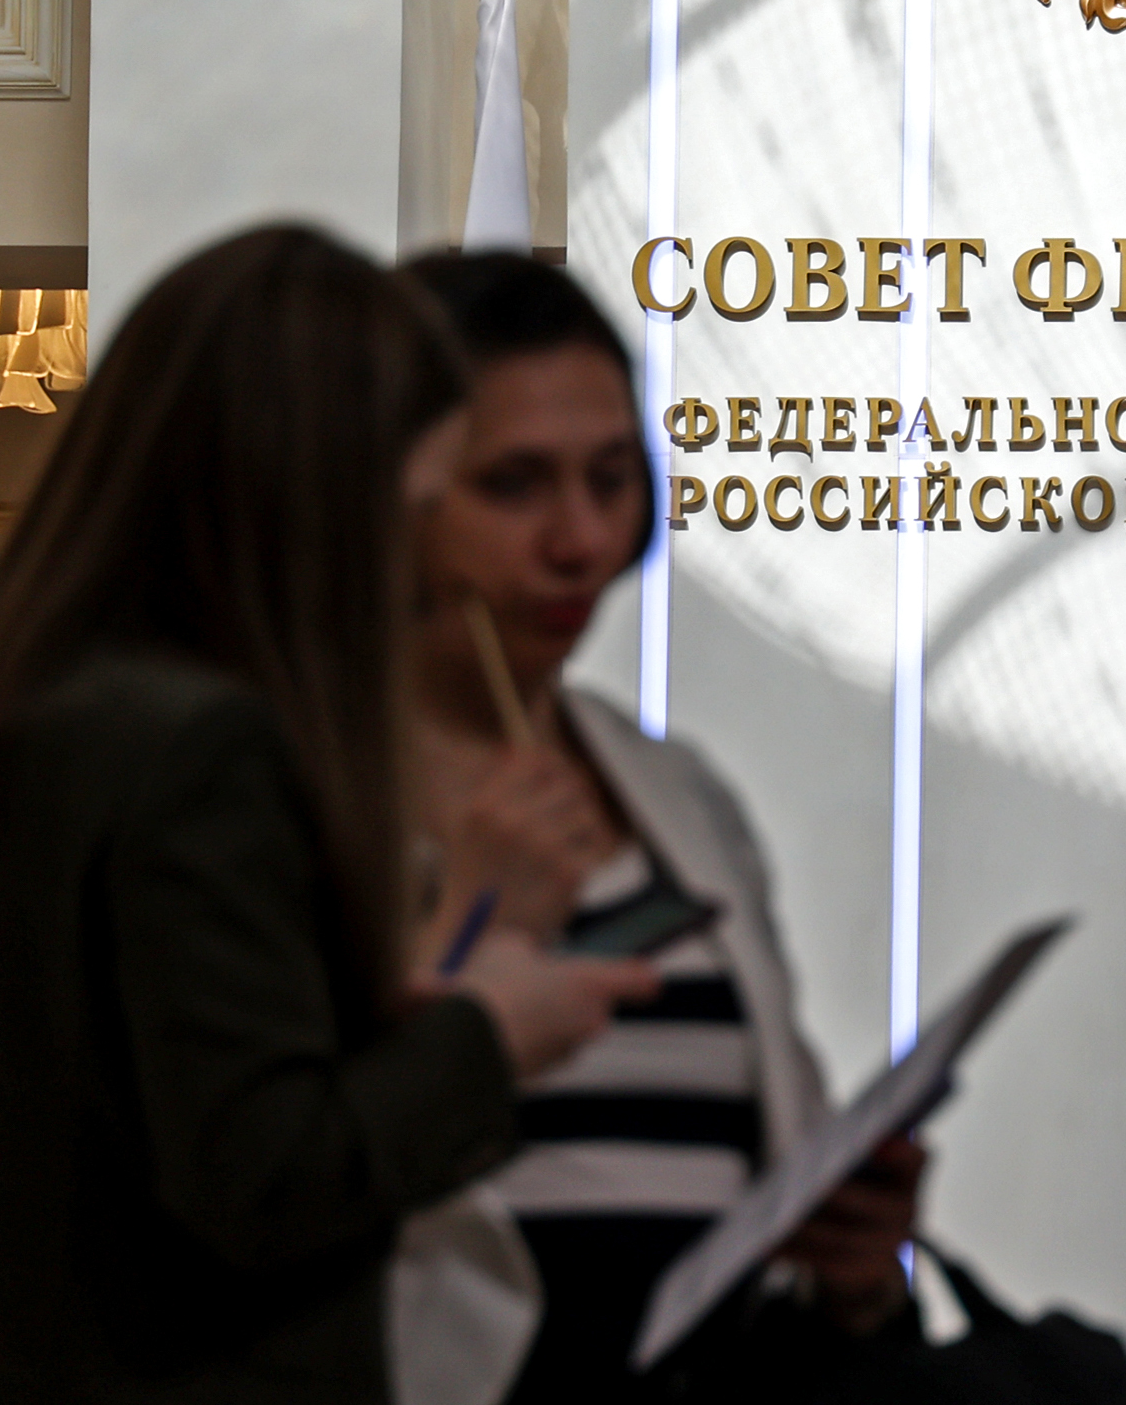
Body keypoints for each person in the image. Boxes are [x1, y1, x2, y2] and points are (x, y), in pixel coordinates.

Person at [0, 226, 660, 1405]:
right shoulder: (200, 754)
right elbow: (266, 1177)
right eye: (412, 514)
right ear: (313, 504)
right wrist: (493, 1027)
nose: (419, 578)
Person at [390, 253, 922, 1405]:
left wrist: (850, 1263)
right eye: (514, 485)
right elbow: (286, 1162)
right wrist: (472, 919)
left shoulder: (674, 794)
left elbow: (755, 1141)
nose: (579, 540)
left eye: (612, 478)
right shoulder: (297, 785)